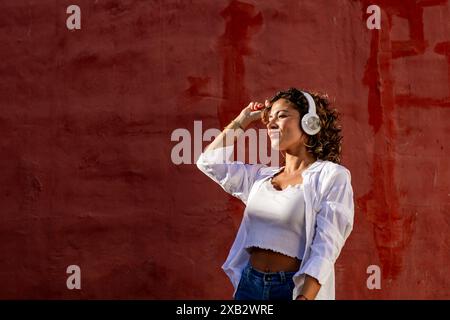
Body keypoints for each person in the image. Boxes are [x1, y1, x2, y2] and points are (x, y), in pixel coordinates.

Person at [196, 87, 354, 300]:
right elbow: (209, 162)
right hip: (249, 286)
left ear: (309, 123)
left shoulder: (331, 176)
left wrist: (305, 297)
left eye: (281, 115)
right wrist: (243, 120)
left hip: (290, 288)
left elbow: (326, 246)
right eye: (269, 118)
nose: (271, 123)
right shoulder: (260, 178)